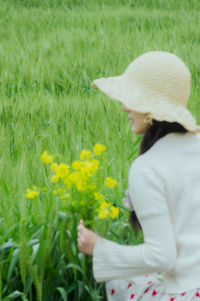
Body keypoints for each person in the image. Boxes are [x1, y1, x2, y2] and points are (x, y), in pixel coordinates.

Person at [77, 51, 200, 300]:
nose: (124, 107)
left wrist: (97, 248)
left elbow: (161, 257)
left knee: (121, 280)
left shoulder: (148, 168)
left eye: (132, 98)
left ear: (152, 108)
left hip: (187, 293)